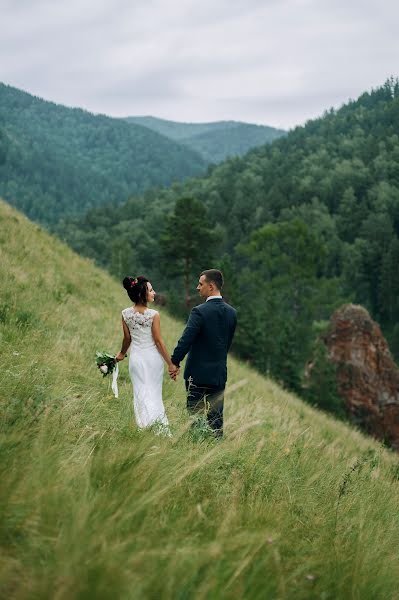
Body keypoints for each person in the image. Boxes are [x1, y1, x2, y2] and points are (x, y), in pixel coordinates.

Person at [170, 269, 237, 438]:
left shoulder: (199, 311)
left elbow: (186, 340)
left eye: (200, 284)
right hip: (218, 375)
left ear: (211, 286)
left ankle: (195, 450)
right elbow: (226, 345)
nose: (197, 287)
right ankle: (215, 451)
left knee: (195, 418)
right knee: (216, 419)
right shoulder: (232, 313)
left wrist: (174, 362)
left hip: (197, 375)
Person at [115, 276, 173, 436]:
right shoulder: (154, 314)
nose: (154, 293)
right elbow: (159, 342)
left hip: (136, 360)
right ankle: (159, 430)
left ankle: (144, 427)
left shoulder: (125, 314)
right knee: (154, 394)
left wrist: (121, 354)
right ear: (142, 293)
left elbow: (127, 339)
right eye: (151, 290)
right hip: (153, 359)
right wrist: (170, 364)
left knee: (140, 394)